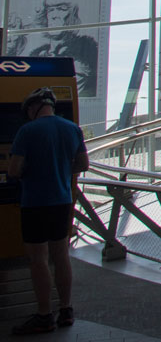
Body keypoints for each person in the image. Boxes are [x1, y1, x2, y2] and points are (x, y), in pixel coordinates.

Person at [6, 87, 89, 335]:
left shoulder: (27, 130)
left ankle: (44, 315)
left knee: (38, 259)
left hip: (35, 202)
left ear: (33, 108)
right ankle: (65, 310)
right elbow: (83, 164)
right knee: (61, 256)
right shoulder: (72, 129)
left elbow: (13, 170)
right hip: (62, 201)